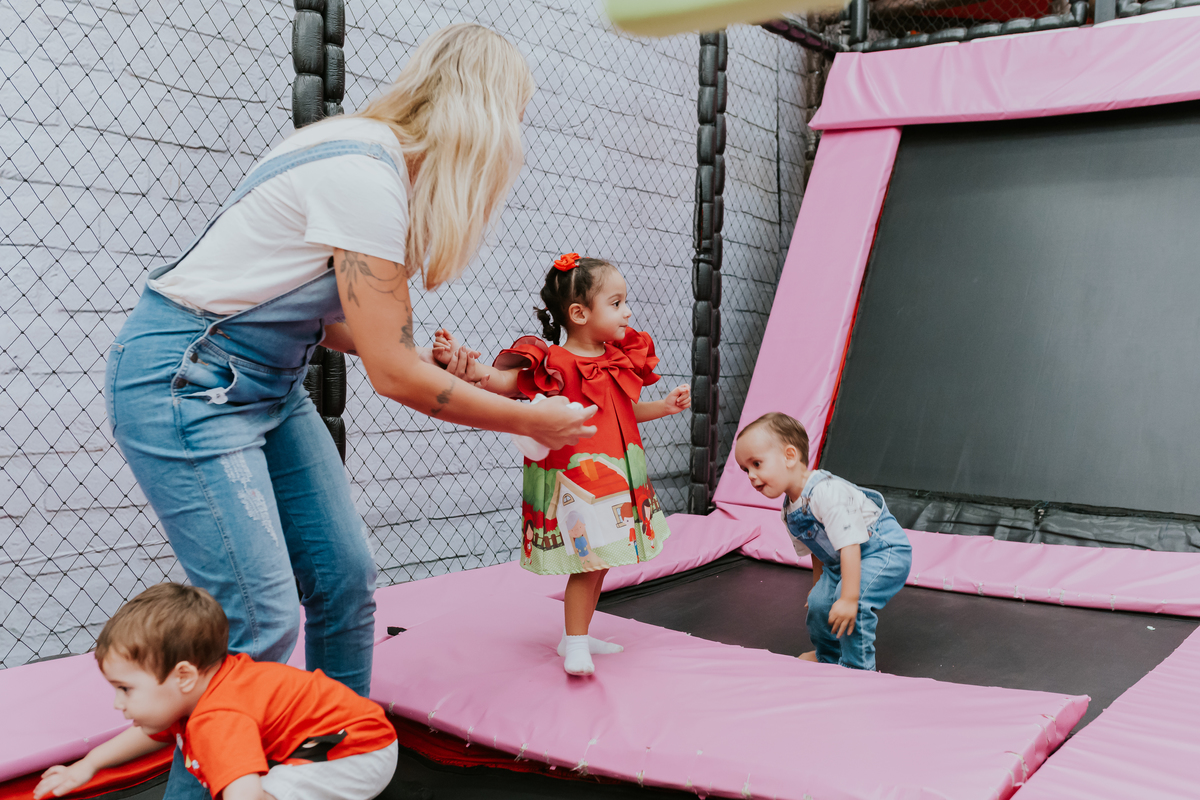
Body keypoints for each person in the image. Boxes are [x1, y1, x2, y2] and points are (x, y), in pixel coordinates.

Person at [103, 23, 595, 800]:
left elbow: (331, 324)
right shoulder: (366, 173)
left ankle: (331, 771)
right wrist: (533, 420)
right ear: (487, 118)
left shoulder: (368, 155)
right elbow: (395, 379)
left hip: (266, 378)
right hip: (187, 381)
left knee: (343, 579)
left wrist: (404, 349)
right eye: (518, 118)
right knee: (256, 623)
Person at [435, 254, 691, 675]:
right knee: (587, 561)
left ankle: (580, 632)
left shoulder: (614, 358)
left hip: (618, 476)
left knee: (604, 557)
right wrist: (460, 363)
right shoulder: (554, 363)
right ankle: (574, 644)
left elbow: (622, 412)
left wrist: (662, 408)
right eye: (616, 302)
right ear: (579, 313)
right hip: (577, 480)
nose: (627, 311)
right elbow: (502, 383)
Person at [33, 584, 398, 800]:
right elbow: (146, 735)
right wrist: (88, 765)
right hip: (347, 735)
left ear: (184, 675)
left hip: (354, 750)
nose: (118, 703)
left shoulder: (216, 718)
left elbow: (243, 794)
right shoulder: (204, 686)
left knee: (265, 792)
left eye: (126, 689)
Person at [733, 412, 911, 671]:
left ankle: (858, 669)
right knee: (819, 604)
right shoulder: (789, 511)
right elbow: (818, 550)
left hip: (881, 551)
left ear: (790, 456)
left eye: (757, 464)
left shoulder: (827, 492)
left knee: (853, 600)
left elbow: (850, 543)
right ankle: (828, 657)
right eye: (745, 469)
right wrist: (818, 587)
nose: (750, 475)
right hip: (840, 560)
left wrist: (848, 598)